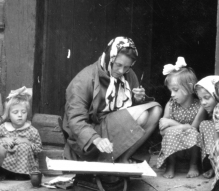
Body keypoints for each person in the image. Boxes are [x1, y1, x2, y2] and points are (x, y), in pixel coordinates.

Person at [62, 36, 162, 164]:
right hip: (91, 133)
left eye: (127, 66)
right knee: (142, 115)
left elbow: (128, 108)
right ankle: (113, 157)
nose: (121, 71)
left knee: (156, 110)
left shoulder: (128, 74)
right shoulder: (84, 79)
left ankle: (124, 157)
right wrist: (96, 139)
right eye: (118, 65)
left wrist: (137, 100)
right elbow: (75, 119)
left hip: (113, 126)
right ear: (109, 57)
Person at [157, 57, 206, 178]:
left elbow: (193, 129)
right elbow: (163, 130)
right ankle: (170, 165)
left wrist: (172, 123)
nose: (172, 95)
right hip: (174, 151)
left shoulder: (200, 106)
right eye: (170, 90)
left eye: (175, 90)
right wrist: (181, 127)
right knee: (170, 134)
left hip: (192, 150)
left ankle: (193, 164)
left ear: (189, 87)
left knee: (194, 134)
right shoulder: (170, 104)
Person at [0, 87, 42, 180]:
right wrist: (5, 139)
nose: (20, 115)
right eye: (15, 112)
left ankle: (21, 174)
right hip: (5, 164)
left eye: (23, 112)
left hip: (24, 166)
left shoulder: (32, 131)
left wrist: (27, 142)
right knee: (0, 147)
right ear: (9, 114)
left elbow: (39, 149)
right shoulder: (3, 128)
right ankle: (3, 172)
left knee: (23, 146)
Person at [195, 75, 219, 179]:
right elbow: (195, 125)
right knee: (205, 124)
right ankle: (212, 165)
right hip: (214, 152)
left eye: (207, 97)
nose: (203, 102)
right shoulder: (208, 111)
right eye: (200, 99)